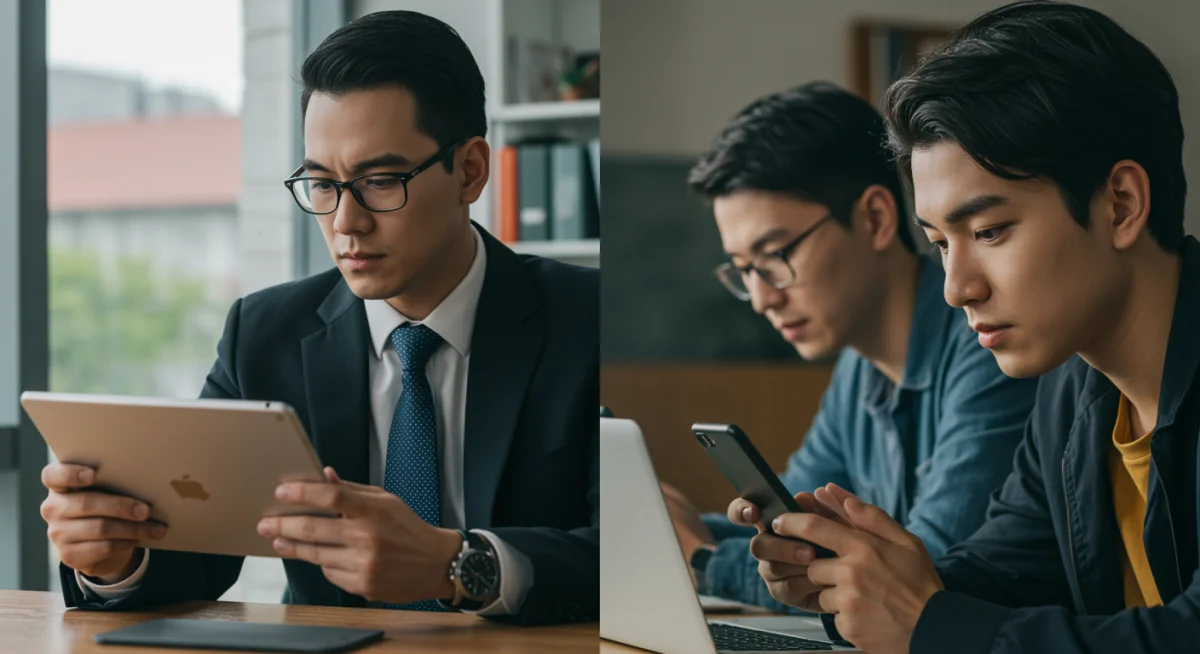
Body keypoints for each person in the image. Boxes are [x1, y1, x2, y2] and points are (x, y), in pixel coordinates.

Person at [40, 10, 598, 627]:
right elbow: (197, 552)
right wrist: (116, 558)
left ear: (469, 171)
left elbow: (639, 551)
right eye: (322, 184)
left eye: (379, 181)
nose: (345, 223)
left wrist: (458, 565)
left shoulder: (594, 322)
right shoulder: (265, 333)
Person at [735, 2, 1200, 652]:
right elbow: (997, 577)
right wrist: (854, 580)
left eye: (989, 231)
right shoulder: (1071, 393)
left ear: (1120, 205)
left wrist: (926, 622)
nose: (957, 289)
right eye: (940, 244)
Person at [672, 81, 1037, 612]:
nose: (762, 298)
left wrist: (702, 562)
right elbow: (790, 524)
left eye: (774, 256)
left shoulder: (989, 345)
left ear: (875, 219)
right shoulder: (859, 367)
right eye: (745, 270)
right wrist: (672, 529)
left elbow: (924, 575)